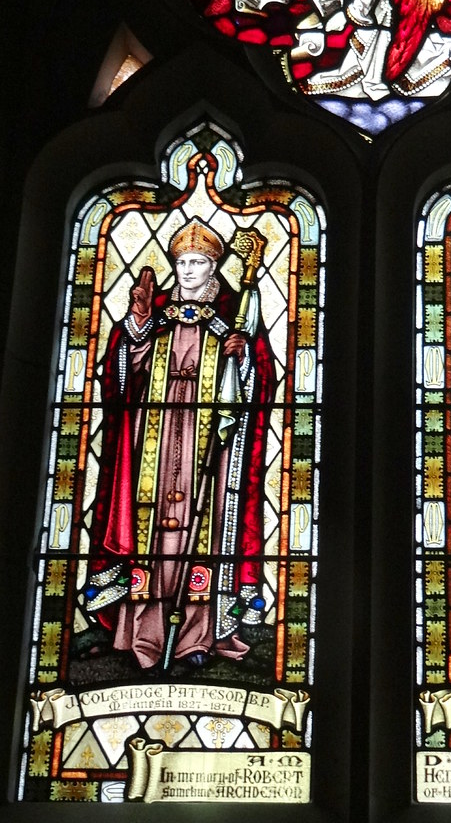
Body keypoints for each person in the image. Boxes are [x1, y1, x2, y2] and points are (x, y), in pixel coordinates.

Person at [85, 218, 275, 670]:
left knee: (202, 528)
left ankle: (195, 639)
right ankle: (142, 638)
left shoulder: (237, 308)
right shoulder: (158, 309)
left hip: (212, 437)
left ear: (214, 266)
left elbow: (260, 378)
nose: (188, 270)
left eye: (198, 262)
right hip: (156, 429)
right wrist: (137, 323)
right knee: (150, 529)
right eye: (182, 262)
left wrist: (241, 356)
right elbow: (122, 371)